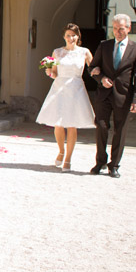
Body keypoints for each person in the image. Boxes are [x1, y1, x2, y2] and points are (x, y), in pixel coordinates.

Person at [89, 13, 136, 179]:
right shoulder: (104, 45)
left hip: (124, 96)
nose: (117, 32)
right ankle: (100, 161)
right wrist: (101, 78)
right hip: (104, 94)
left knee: (120, 131)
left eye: (121, 29)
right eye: (114, 29)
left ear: (128, 28)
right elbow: (92, 68)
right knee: (101, 126)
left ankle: (114, 165)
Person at [35, 23, 95, 172]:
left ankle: (68, 158)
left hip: (76, 89)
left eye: (74, 35)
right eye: (68, 35)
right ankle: (61, 150)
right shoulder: (57, 52)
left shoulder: (84, 52)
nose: (71, 38)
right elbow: (54, 73)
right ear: (64, 37)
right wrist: (49, 71)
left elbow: (94, 68)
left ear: (78, 36)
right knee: (58, 123)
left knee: (72, 124)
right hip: (59, 88)